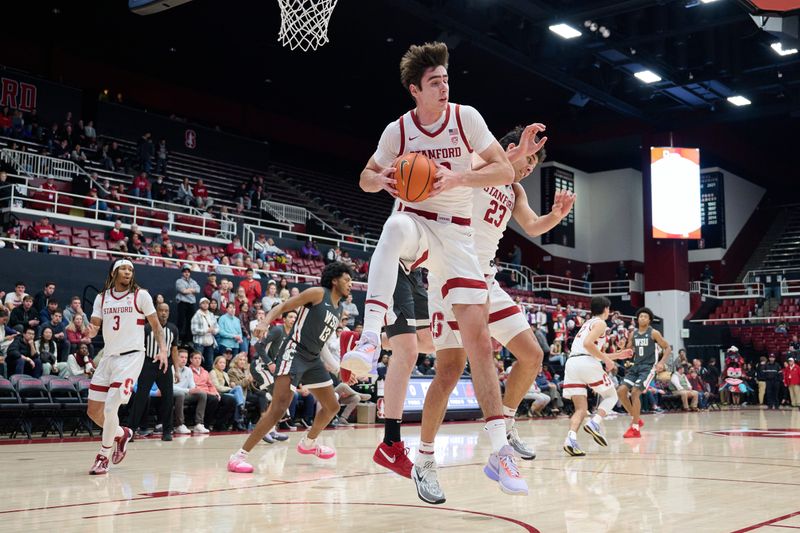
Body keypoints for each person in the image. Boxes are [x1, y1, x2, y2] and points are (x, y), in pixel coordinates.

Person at [340, 41, 523, 497]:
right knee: (393, 227)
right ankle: (367, 337)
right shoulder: (398, 131)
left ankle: (500, 451)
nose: (444, 87)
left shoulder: (466, 119)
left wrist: (459, 177)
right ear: (414, 90)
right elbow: (365, 176)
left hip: (458, 234)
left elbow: (505, 171)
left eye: (446, 80)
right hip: (418, 222)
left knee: (477, 343)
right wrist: (378, 179)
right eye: (435, 82)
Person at [409, 124, 567, 503]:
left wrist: (556, 216)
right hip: (449, 272)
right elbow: (472, 163)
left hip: (485, 277)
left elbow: (532, 225)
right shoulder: (477, 163)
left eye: (532, 165)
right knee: (448, 371)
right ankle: (425, 459)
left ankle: (506, 423)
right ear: (511, 148)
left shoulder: (514, 189)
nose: (527, 169)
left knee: (532, 354)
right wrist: (510, 156)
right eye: (527, 159)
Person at [227, 262, 352, 473]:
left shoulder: (339, 310)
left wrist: (339, 369)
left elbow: (322, 346)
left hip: (313, 359)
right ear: (334, 280)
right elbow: (284, 306)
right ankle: (238, 456)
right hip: (293, 352)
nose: (350, 284)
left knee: (332, 406)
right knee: (278, 407)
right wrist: (265, 321)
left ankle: (308, 443)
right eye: (347, 279)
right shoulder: (317, 293)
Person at [85, 259, 167, 475]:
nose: (128, 272)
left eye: (131, 269)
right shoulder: (101, 298)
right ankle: (122, 433)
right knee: (94, 411)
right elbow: (94, 328)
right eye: (123, 268)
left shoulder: (141, 295)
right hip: (108, 357)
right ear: (114, 273)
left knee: (112, 407)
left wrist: (163, 350)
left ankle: (103, 456)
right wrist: (88, 331)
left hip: (131, 357)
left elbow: (156, 325)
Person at [562, 296, 632, 457]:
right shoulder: (600, 323)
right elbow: (588, 345)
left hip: (572, 363)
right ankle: (595, 422)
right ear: (606, 309)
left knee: (581, 409)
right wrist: (607, 360)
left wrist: (618, 355)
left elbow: (589, 350)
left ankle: (570, 439)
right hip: (585, 362)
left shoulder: (587, 323)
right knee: (612, 396)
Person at [126, 302, 180, 441]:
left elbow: (174, 350)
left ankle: (167, 431)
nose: (163, 313)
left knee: (168, 398)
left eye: (166, 310)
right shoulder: (146, 328)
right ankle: (131, 431)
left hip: (165, 365)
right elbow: (139, 348)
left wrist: (177, 370)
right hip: (148, 363)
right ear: (156, 312)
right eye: (161, 310)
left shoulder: (173, 329)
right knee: (140, 397)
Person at [616, 307, 671, 438]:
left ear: (650, 320)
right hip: (636, 367)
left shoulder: (654, 333)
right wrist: (622, 347)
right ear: (637, 319)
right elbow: (628, 351)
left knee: (635, 392)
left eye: (645, 316)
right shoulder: (633, 334)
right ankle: (637, 419)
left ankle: (635, 428)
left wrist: (661, 362)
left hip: (648, 367)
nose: (642, 318)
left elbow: (667, 348)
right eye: (640, 316)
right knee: (621, 391)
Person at [172, 349, 210, 434]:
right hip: (173, 393)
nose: (184, 359)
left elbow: (191, 384)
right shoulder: (171, 368)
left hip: (185, 393)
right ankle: (179, 425)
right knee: (180, 394)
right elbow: (171, 387)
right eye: (181, 357)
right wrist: (188, 390)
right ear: (176, 358)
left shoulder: (188, 370)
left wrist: (195, 389)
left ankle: (199, 424)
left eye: (185, 357)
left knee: (202, 394)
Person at [211, 355, 247, 430]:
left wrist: (232, 384)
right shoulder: (213, 372)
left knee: (240, 394)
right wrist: (230, 388)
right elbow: (217, 387)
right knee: (238, 393)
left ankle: (240, 409)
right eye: (220, 362)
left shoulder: (225, 374)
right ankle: (240, 416)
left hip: (228, 392)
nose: (222, 364)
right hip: (219, 393)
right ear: (216, 364)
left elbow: (231, 383)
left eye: (224, 363)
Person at [175, 265, 201, 345]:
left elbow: (198, 290)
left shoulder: (193, 281)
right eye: (185, 272)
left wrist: (188, 290)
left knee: (190, 322)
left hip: (191, 304)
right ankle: (177, 339)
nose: (187, 273)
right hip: (182, 303)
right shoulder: (179, 281)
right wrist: (191, 290)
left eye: (188, 272)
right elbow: (183, 291)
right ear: (182, 273)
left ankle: (187, 340)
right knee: (181, 321)